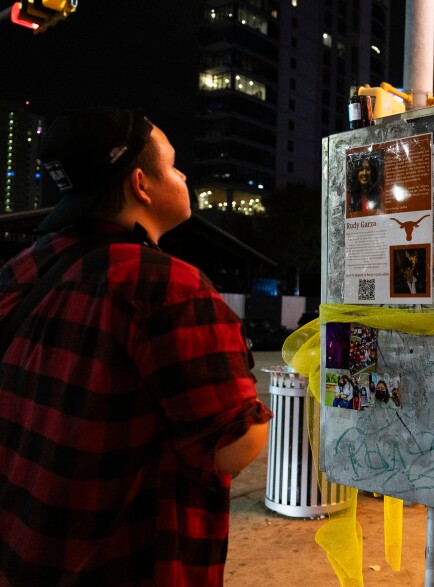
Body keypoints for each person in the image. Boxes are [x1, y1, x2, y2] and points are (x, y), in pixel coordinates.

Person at [0, 107, 272, 585]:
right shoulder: (168, 287)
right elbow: (231, 447)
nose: (184, 175)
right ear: (141, 184)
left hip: (25, 554)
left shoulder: (21, 270)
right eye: (172, 164)